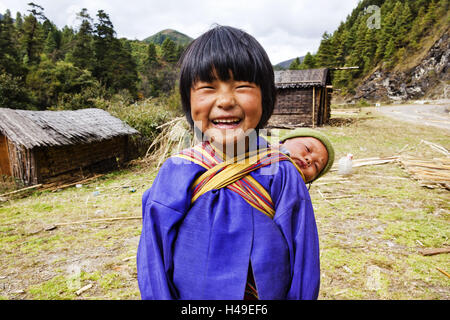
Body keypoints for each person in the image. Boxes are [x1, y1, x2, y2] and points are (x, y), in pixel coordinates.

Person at [137, 25, 320, 300]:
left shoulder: (281, 172)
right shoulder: (177, 171)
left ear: (266, 97)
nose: (225, 101)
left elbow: (304, 261)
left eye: (243, 86)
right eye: (207, 88)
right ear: (189, 100)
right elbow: (154, 258)